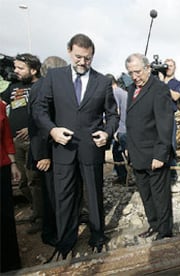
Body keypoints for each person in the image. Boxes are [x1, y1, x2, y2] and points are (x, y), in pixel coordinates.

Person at [34, 33, 119, 259]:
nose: (83, 62)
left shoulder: (102, 82)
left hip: (91, 149)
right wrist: (52, 130)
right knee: (64, 198)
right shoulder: (54, 77)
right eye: (79, 57)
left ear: (93, 56)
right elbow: (40, 110)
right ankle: (65, 243)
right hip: (62, 150)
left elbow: (112, 115)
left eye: (88, 58)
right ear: (69, 52)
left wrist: (107, 133)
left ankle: (98, 236)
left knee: (94, 195)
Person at [125, 53, 174, 240]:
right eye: (131, 73)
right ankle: (154, 225)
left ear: (148, 68)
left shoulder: (159, 88)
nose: (135, 76)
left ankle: (165, 232)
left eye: (138, 71)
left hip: (154, 154)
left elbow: (164, 124)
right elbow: (132, 121)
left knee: (160, 198)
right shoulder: (131, 89)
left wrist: (161, 154)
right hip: (137, 154)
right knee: (146, 195)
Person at [1, 53, 43, 232]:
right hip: (15, 142)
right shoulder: (13, 87)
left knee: (35, 180)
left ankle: (42, 216)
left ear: (33, 70)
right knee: (22, 182)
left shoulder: (41, 85)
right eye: (15, 67)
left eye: (20, 68)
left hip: (34, 140)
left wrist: (31, 128)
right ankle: (36, 208)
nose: (16, 71)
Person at [28, 56, 67, 243]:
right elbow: (39, 124)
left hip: (50, 151)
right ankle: (52, 234)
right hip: (47, 153)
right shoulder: (43, 88)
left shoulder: (43, 86)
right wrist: (43, 155)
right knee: (52, 196)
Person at [0, 100, 22, 272]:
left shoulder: (0, 105)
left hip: (2, 167)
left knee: (5, 216)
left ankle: (10, 263)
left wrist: (13, 163)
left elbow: (6, 136)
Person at [162, 58, 180, 186]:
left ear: (175, 68)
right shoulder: (155, 81)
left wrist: (162, 84)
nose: (169, 68)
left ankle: (172, 175)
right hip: (154, 117)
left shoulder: (177, 84)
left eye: (171, 66)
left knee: (170, 145)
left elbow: (176, 97)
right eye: (167, 66)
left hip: (169, 116)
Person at [106, 73, 128, 185]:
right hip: (127, 127)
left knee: (123, 152)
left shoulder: (114, 93)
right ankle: (123, 176)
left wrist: (114, 130)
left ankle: (124, 177)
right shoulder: (123, 92)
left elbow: (116, 112)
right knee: (118, 151)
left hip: (121, 128)